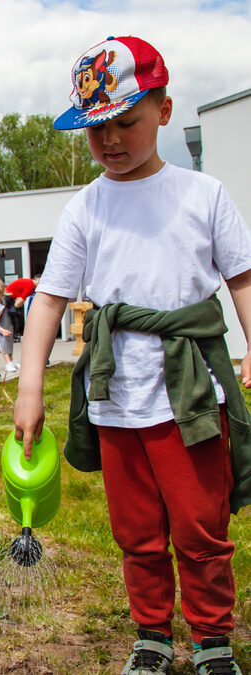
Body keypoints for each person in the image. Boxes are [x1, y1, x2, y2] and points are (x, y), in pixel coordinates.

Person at [14, 36, 251, 675]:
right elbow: (48, 301)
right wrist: (29, 386)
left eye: (127, 121)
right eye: (96, 128)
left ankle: (212, 641)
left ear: (165, 111)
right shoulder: (85, 207)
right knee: (138, 532)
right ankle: (151, 636)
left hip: (191, 395)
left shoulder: (204, 195)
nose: (111, 139)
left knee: (200, 531)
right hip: (117, 400)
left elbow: (243, 281)